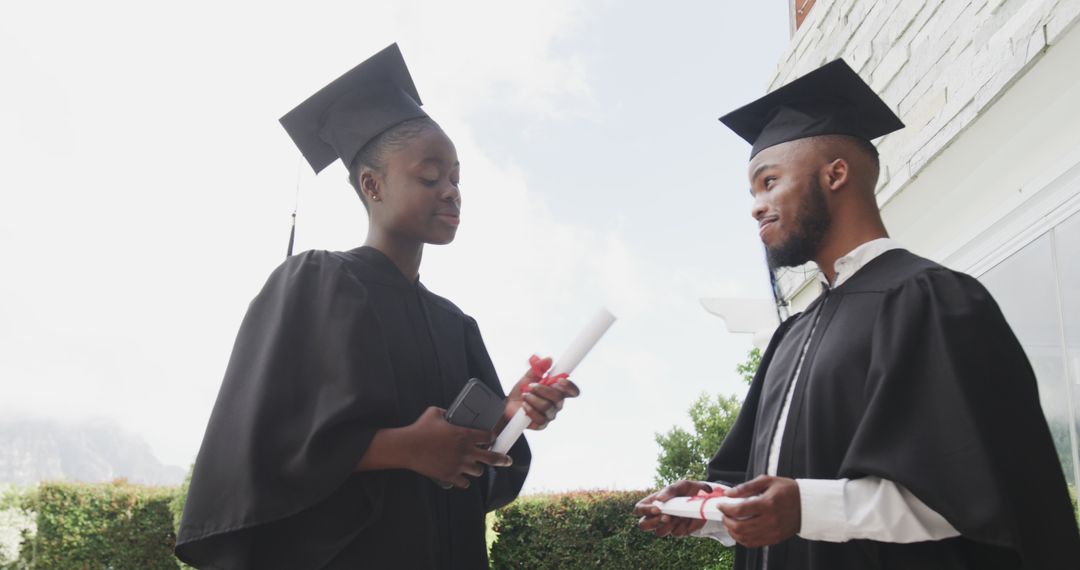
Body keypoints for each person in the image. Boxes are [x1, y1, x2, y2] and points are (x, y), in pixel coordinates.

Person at [635, 59, 1080, 569]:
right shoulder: (792, 337)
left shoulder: (929, 299)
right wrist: (713, 505)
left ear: (836, 173)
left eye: (769, 181)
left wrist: (807, 508)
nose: (756, 207)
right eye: (753, 192)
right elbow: (779, 491)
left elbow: (983, 493)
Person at [175, 44, 579, 569]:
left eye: (457, 178)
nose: (452, 192)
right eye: (430, 177)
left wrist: (509, 417)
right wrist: (402, 448)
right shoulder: (316, 283)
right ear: (372, 184)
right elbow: (255, 449)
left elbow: (480, 477)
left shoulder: (455, 324)